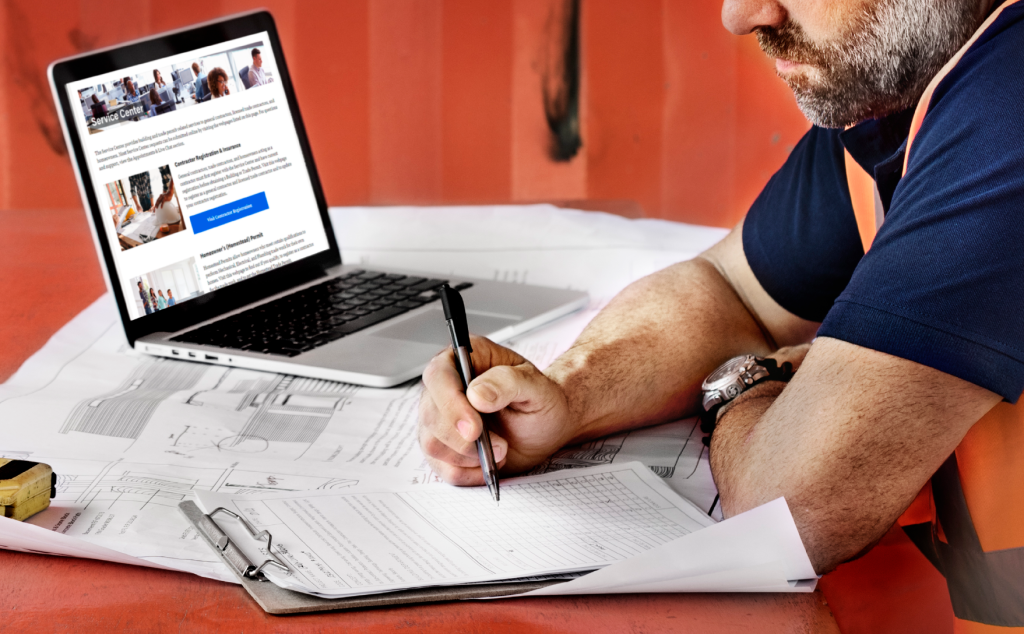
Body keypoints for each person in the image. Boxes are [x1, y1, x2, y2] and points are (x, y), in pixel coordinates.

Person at [418, 0, 1024, 628]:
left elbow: (787, 514)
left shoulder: (1012, 107)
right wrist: (565, 396)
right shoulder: (909, 93)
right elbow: (729, 289)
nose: (740, 16)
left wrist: (740, 386)